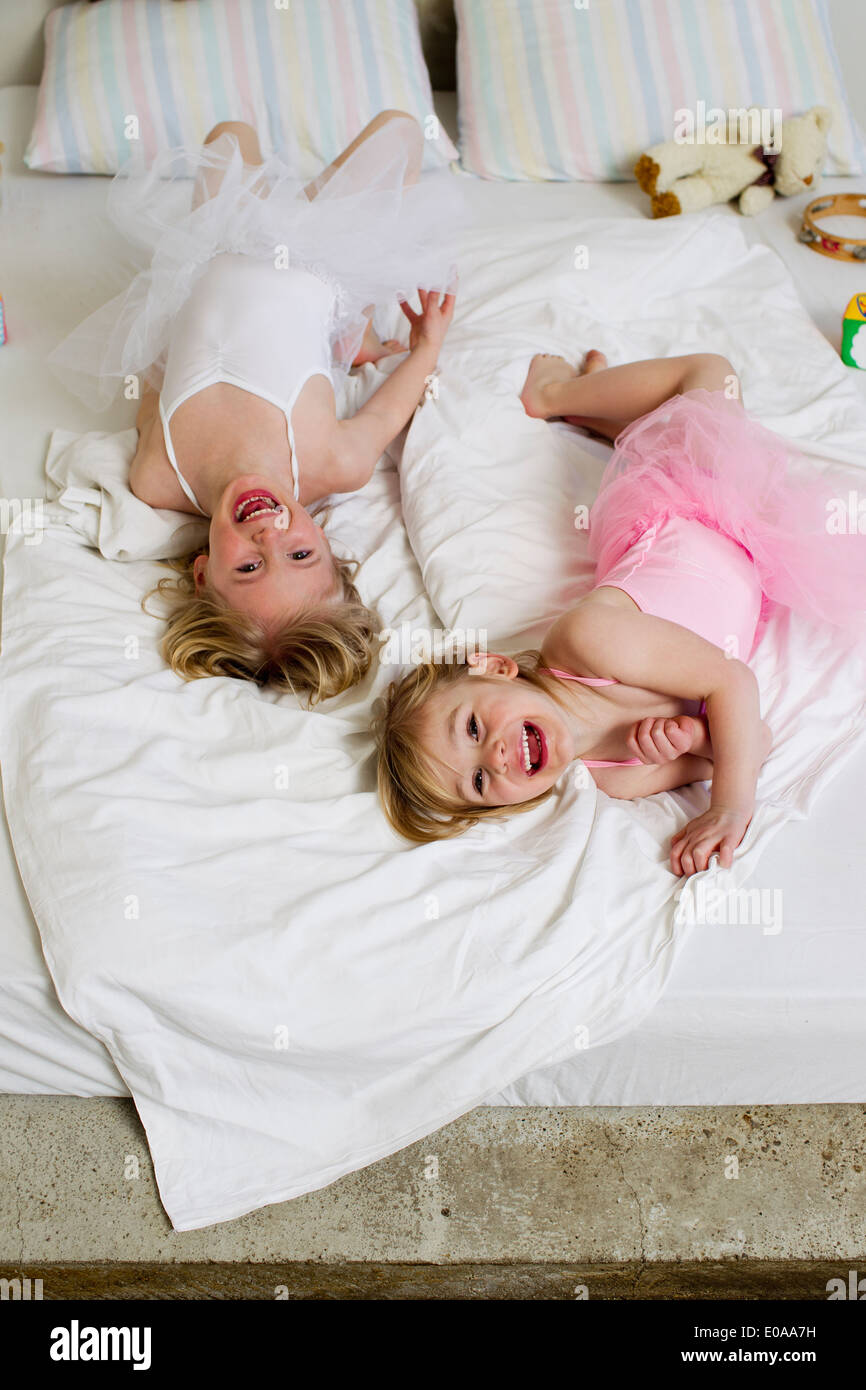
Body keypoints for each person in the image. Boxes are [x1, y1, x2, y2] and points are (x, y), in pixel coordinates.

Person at [375, 350, 866, 875]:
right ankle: (609, 416)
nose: (493, 757)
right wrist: (699, 740)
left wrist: (728, 807)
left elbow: (732, 682)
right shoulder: (617, 775)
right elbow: (753, 741)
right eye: (476, 782)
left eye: (472, 727)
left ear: (496, 667)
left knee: (709, 378)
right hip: (750, 562)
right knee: (664, 427)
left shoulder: (587, 640)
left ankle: (554, 395)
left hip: (696, 509)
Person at [48, 112, 461, 700]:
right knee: (400, 129)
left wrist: (170, 303)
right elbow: (389, 411)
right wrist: (427, 346)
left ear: (201, 573)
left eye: (247, 568)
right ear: (322, 536)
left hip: (222, 243)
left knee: (229, 136)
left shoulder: (158, 475)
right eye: (299, 553)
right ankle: (352, 336)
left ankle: (340, 332)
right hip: (324, 262)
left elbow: (154, 373)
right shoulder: (331, 462)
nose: (268, 534)